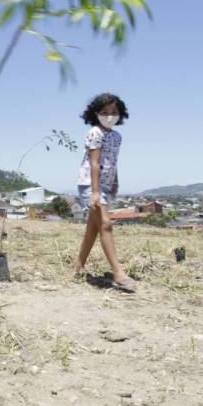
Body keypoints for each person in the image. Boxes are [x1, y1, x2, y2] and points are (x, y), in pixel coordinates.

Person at [73, 93, 136, 292]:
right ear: (96, 114)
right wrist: (94, 192)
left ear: (121, 115)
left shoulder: (117, 137)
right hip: (90, 186)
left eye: (114, 112)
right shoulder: (95, 133)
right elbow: (94, 163)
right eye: (105, 112)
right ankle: (118, 273)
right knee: (106, 224)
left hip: (106, 187)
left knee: (94, 228)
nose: (109, 116)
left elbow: (112, 162)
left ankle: (78, 267)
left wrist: (115, 181)